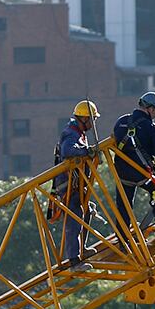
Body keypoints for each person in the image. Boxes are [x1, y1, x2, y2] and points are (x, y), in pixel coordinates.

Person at [112, 91, 155, 238]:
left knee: (124, 205)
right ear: (151, 108)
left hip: (122, 173)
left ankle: (123, 239)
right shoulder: (151, 127)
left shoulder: (121, 122)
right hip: (142, 174)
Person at [55, 100, 99, 266]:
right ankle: (74, 261)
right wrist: (87, 151)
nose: (93, 123)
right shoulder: (71, 133)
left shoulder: (78, 132)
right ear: (84, 118)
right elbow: (68, 151)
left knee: (87, 210)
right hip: (68, 185)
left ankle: (82, 249)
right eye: (92, 120)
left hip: (76, 184)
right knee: (74, 218)